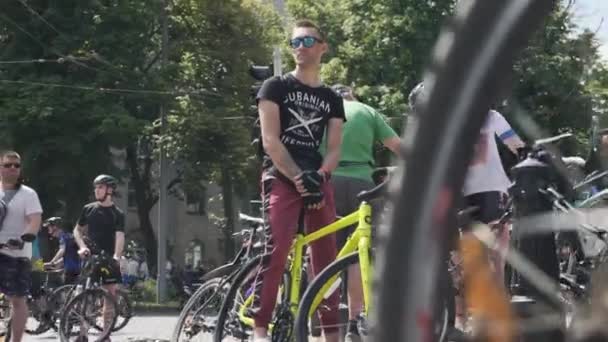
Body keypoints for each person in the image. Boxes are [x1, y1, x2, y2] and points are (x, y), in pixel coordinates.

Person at [252, 19, 345, 342]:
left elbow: (334, 149)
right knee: (277, 247)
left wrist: (318, 177)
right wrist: (297, 177)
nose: (300, 48)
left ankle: (331, 332)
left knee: (326, 258)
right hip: (281, 175)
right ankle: (260, 328)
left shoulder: (333, 98)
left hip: (317, 180)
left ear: (323, 47)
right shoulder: (275, 87)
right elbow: (270, 140)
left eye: (308, 41)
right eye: (295, 43)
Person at [326, 84, 400, 342]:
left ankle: (327, 324)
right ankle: (355, 323)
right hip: (364, 185)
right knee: (360, 255)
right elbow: (398, 146)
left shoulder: (323, 111)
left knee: (327, 257)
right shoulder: (367, 111)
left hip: (329, 184)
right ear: (352, 95)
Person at [73, 174, 125, 340]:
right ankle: (83, 333)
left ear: (109, 190)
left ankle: (105, 334)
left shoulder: (118, 213)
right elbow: (77, 230)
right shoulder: (88, 208)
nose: (97, 190)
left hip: (109, 258)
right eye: (95, 187)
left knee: (109, 296)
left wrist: (117, 256)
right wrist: (81, 247)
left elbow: (120, 236)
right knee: (86, 295)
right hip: (91, 257)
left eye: (100, 187)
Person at [0, 150, 43, 342]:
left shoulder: (28, 194)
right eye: (8, 165)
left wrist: (27, 236)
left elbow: (35, 220)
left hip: (16, 253)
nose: (12, 169)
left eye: (16, 165)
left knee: (18, 300)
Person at [44, 217, 81, 284]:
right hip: (77, 269)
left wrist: (52, 262)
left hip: (70, 270)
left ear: (55, 227)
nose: (48, 230)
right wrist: (55, 264)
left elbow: (62, 250)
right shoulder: (69, 236)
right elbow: (69, 254)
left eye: (49, 227)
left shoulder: (63, 237)